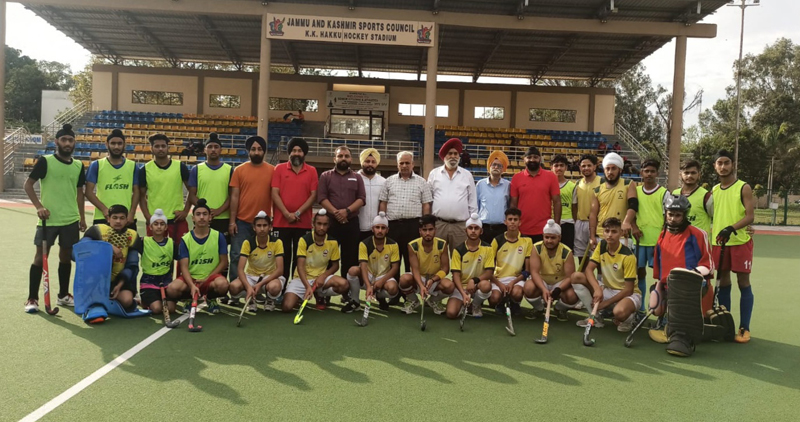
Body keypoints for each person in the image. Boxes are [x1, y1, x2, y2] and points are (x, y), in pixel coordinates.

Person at [24, 124, 86, 313]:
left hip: (70, 220)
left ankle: (63, 295)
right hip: (47, 221)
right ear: (57, 141)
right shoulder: (46, 161)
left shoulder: (78, 166)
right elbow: (28, 185)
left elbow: (79, 194)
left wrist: (82, 218)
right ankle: (32, 298)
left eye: (70, 140)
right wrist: (39, 207)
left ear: (74, 142)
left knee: (65, 257)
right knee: (39, 257)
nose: (67, 143)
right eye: (64, 140)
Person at [649, 195, 713, 350]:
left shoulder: (698, 234)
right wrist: (658, 287)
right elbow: (659, 266)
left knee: (680, 297)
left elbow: (708, 265)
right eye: (670, 214)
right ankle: (665, 322)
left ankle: (678, 331)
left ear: (685, 215)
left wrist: (687, 276)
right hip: (667, 286)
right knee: (654, 305)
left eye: (678, 215)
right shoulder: (662, 234)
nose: (673, 218)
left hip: (691, 287)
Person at [710, 149, 755, 343]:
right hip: (719, 243)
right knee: (724, 283)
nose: (723, 166)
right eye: (719, 163)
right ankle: (725, 325)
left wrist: (732, 228)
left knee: (743, 283)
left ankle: (744, 327)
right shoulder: (713, 190)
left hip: (739, 242)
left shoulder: (743, 187)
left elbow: (750, 216)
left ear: (732, 164)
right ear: (715, 166)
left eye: (726, 162)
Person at [281, 210, 352, 312]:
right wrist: (307, 287)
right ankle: (300, 296)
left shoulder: (333, 242)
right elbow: (300, 266)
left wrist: (323, 276)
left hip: (320, 280)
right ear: (313, 224)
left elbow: (335, 266)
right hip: (302, 279)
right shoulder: (304, 240)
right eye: (319, 224)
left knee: (344, 285)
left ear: (328, 226)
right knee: (286, 307)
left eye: (325, 224)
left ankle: (319, 294)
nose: (321, 227)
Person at [166, 199, 229, 313]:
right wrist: (191, 285)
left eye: (205, 214)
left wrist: (207, 278)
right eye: (198, 214)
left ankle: (211, 298)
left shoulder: (218, 236)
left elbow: (224, 262)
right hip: (191, 278)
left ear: (210, 217)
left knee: (223, 285)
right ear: (193, 218)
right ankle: (189, 299)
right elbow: (184, 267)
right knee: (172, 289)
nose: (201, 217)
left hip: (210, 278)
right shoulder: (186, 239)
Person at [579, 217, 641, 332]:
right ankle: (596, 318)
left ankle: (629, 318)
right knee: (577, 277)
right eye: (607, 231)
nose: (609, 235)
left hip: (629, 294)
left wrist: (605, 303)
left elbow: (628, 290)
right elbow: (588, 270)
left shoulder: (628, 256)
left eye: (614, 231)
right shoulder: (601, 245)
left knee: (619, 312)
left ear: (621, 233)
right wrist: (597, 289)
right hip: (608, 289)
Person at [229, 135, 275, 283]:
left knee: (263, 258)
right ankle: (236, 291)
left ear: (264, 152)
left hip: (263, 224)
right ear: (249, 151)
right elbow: (234, 197)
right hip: (242, 222)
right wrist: (232, 221)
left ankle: (261, 288)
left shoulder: (272, 171)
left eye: (260, 149)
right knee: (236, 255)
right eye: (253, 149)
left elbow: (275, 196)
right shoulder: (239, 170)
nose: (256, 152)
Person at [272, 138, 318, 281]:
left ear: (304, 153)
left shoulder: (311, 171)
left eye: (299, 151)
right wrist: (286, 214)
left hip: (302, 222)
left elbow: (313, 196)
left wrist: (297, 213)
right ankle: (281, 287)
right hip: (281, 222)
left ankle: (295, 287)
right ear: (289, 153)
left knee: (300, 258)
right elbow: (274, 193)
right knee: (282, 257)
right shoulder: (279, 168)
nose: (296, 153)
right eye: (293, 150)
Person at [379, 151, 432, 273]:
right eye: (401, 163)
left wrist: (424, 226)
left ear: (413, 164)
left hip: (413, 226)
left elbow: (426, 205)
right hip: (393, 226)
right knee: (392, 260)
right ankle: (393, 289)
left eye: (407, 163)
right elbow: (383, 203)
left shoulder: (421, 182)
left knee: (412, 260)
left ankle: (409, 288)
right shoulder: (389, 181)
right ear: (397, 165)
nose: (404, 165)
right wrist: (383, 224)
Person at [317, 145, 366, 277]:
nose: (343, 158)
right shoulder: (325, 176)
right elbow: (321, 197)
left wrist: (347, 211)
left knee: (350, 259)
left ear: (351, 159)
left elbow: (361, 199)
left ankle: (347, 293)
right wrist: (336, 213)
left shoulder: (357, 177)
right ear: (334, 159)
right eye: (340, 156)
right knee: (327, 258)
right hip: (331, 223)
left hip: (351, 223)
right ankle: (324, 293)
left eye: (346, 156)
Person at [82, 204, 140, 311]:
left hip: (118, 280)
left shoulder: (132, 236)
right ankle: (99, 297)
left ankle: (110, 296)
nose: (118, 221)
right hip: (97, 280)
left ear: (127, 219)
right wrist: (108, 247)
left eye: (122, 218)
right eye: (115, 218)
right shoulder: (97, 231)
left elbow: (132, 266)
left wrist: (119, 285)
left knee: (127, 301)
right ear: (108, 219)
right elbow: (79, 251)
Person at [675, 159, 714, 312]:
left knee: (701, 284)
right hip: (677, 247)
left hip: (698, 249)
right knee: (676, 283)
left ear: (699, 175)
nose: (689, 176)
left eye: (693, 173)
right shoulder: (674, 194)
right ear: (681, 174)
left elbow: (717, 217)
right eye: (686, 173)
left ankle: (702, 316)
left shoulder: (706, 197)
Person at [524, 219, 583, 321]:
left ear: (559, 238)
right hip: (542, 281)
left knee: (572, 296)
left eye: (553, 238)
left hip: (559, 283)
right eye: (546, 237)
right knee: (528, 288)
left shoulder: (566, 251)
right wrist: (543, 289)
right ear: (543, 236)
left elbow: (570, 277)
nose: (549, 241)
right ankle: (539, 308)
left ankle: (559, 309)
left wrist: (557, 290)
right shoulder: (536, 248)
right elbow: (534, 272)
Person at [139, 134, 191, 246]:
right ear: (151, 148)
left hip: (177, 219)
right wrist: (148, 217)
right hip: (155, 220)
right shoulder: (145, 169)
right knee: (157, 254)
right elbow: (141, 196)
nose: (160, 148)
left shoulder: (180, 166)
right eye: (157, 146)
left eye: (163, 146)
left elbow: (192, 190)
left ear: (168, 148)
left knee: (182, 253)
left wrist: (186, 211)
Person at [228, 211, 285, 312]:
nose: (262, 229)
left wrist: (259, 284)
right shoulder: (248, 242)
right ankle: (251, 299)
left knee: (274, 287)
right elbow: (240, 269)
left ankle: (270, 299)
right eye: (259, 225)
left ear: (270, 227)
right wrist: (248, 287)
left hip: (270, 277)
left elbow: (280, 270)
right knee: (233, 287)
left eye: (265, 225)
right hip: (251, 276)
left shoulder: (277, 242)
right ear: (254, 228)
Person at [630, 159, 667, 312]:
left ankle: (660, 310)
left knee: (661, 277)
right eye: (647, 171)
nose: (649, 174)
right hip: (638, 240)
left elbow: (667, 218)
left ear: (657, 173)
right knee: (639, 274)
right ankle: (641, 308)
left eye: (652, 171)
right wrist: (633, 227)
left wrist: (664, 236)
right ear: (641, 173)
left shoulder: (664, 193)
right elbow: (630, 212)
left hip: (658, 241)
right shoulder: (635, 192)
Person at [428, 138, 477, 254]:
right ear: (444, 156)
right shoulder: (434, 174)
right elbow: (428, 199)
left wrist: (472, 223)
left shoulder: (467, 175)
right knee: (436, 257)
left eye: (455, 154)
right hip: (439, 225)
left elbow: (472, 201)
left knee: (460, 258)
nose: (453, 156)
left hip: (460, 226)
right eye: (450, 153)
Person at [397, 214, 452, 315]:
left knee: (449, 286)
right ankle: (413, 300)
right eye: (424, 230)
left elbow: (445, 269)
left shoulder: (442, 244)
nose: (427, 233)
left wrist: (433, 279)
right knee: (404, 279)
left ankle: (434, 300)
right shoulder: (412, 245)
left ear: (435, 230)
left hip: (434, 279)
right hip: (419, 277)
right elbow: (415, 269)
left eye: (430, 230)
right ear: (420, 231)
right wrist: (421, 286)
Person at [346, 211, 400, 312]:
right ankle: (355, 301)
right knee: (352, 270)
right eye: (377, 227)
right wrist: (368, 286)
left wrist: (381, 281)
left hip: (383, 276)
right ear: (372, 229)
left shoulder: (393, 244)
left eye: (383, 228)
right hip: (368, 274)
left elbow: (395, 268)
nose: (380, 231)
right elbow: (363, 266)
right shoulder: (364, 244)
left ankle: (380, 296)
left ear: (387, 230)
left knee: (393, 288)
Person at [84, 128, 139, 229]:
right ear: (107, 144)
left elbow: (137, 192)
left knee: (128, 245)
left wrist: (131, 213)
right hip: (102, 217)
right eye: (113, 143)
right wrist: (105, 210)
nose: (116, 146)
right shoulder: (97, 165)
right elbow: (88, 192)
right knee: (102, 245)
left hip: (126, 218)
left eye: (119, 143)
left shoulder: (132, 166)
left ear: (124, 145)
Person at [188, 133, 233, 243]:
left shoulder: (229, 170)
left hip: (223, 218)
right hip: (202, 219)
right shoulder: (196, 169)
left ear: (221, 150)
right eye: (210, 147)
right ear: (205, 150)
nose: (213, 150)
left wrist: (219, 210)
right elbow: (192, 194)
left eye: (216, 147)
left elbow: (232, 196)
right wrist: (204, 210)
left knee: (221, 251)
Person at [510, 146, 561, 243]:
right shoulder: (516, 178)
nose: (532, 160)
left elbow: (557, 202)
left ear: (540, 159)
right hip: (522, 229)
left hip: (545, 230)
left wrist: (556, 225)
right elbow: (513, 204)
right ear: (524, 159)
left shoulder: (551, 177)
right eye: (529, 157)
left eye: (535, 157)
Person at [448, 213, 495, 319]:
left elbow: (489, 273)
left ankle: (475, 305)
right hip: (461, 287)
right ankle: (463, 302)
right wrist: (463, 293)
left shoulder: (488, 248)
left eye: (476, 228)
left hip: (477, 286)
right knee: (451, 313)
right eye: (470, 228)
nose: (473, 231)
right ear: (466, 231)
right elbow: (455, 275)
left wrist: (474, 280)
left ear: (481, 231)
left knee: (486, 285)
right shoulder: (458, 250)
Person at [588, 152, 637, 251]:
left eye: (614, 168)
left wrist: (627, 222)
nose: (610, 172)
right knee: (601, 266)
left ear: (620, 169)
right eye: (607, 168)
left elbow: (633, 205)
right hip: (602, 235)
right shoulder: (597, 190)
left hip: (621, 235)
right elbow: (593, 215)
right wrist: (592, 236)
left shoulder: (628, 184)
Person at [488, 208, 532, 316]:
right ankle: (500, 302)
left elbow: (527, 270)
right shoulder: (497, 240)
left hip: (516, 279)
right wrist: (500, 284)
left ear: (520, 222)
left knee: (516, 293)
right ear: (505, 221)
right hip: (498, 279)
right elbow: (488, 268)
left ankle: (514, 302)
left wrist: (513, 282)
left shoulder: (527, 241)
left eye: (515, 219)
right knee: (494, 298)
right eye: (510, 219)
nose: (512, 222)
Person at [136, 209, 178, 316]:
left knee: (171, 309)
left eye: (162, 224)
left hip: (166, 282)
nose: (159, 226)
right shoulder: (143, 242)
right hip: (148, 283)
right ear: (150, 227)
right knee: (157, 309)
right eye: (156, 224)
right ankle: (143, 301)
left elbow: (180, 260)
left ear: (166, 227)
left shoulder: (171, 243)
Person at [476, 150, 510, 244]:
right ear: (489, 167)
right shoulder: (480, 184)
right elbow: (476, 206)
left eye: (499, 165)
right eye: (494, 164)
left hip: (501, 229)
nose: (496, 167)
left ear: (503, 169)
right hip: (484, 228)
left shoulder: (508, 185)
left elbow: (509, 206)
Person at [572, 154, 600, 267]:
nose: (586, 168)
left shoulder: (602, 182)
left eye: (589, 165)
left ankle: (599, 281)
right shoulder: (578, 184)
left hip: (598, 224)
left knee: (598, 257)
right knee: (582, 257)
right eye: (583, 166)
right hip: (581, 223)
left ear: (595, 167)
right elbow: (574, 205)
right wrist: (577, 221)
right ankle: (583, 282)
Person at [357, 148, 386, 240]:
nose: (370, 164)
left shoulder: (383, 181)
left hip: (376, 229)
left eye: (373, 162)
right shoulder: (355, 178)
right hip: (357, 227)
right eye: (367, 161)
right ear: (362, 162)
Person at [551, 154, 576, 250]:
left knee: (566, 252)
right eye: (556, 165)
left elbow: (574, 207)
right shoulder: (548, 185)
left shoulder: (572, 186)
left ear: (566, 167)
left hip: (568, 223)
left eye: (562, 165)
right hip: (550, 222)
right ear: (551, 167)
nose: (559, 168)